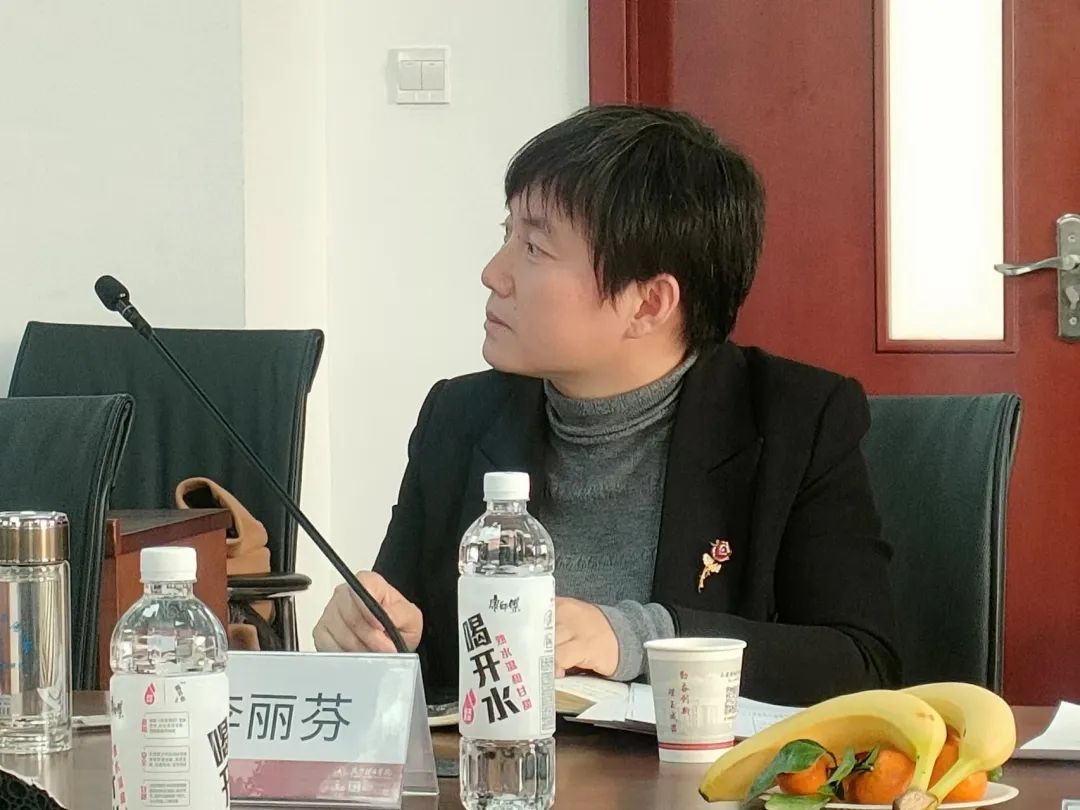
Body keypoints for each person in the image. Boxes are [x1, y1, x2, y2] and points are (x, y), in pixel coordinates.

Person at [313, 105, 901, 706]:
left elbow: (860, 663)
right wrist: (378, 638)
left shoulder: (795, 420)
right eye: (507, 234)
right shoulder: (459, 417)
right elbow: (419, 650)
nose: (493, 273)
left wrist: (637, 639)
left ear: (648, 304)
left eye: (534, 248)